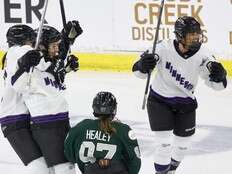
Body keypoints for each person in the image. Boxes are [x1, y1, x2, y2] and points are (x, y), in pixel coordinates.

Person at [132, 16, 227, 174]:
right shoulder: (163, 47)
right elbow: (138, 72)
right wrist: (143, 65)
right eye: (191, 34)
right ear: (180, 36)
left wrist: (220, 76)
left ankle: (171, 170)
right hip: (159, 100)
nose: (196, 37)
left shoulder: (203, 55)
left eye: (197, 34)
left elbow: (219, 87)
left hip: (186, 103)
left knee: (182, 146)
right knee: (163, 145)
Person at [0, 21, 82, 174]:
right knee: (40, 168)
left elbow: (49, 68)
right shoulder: (17, 51)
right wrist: (65, 40)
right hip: (15, 119)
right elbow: (38, 64)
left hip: (24, 116)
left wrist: (66, 40)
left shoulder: (20, 57)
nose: (33, 43)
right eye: (31, 40)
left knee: (46, 168)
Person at [64, 91, 141, 174]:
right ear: (114, 109)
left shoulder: (81, 127)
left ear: (94, 108)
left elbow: (69, 155)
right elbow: (135, 162)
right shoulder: (123, 130)